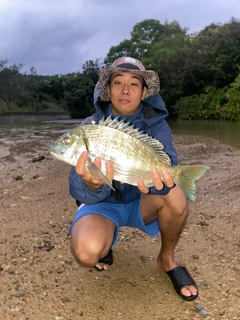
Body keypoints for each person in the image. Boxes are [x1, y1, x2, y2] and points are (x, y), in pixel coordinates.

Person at [68, 56, 198, 301]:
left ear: (144, 92)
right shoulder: (91, 128)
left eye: (134, 83)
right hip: (102, 206)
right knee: (86, 254)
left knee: (176, 194)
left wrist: (162, 179)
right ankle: (104, 246)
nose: (125, 89)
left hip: (141, 198)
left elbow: (168, 160)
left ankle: (166, 259)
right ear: (108, 90)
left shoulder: (156, 125)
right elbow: (75, 187)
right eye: (118, 82)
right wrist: (89, 183)